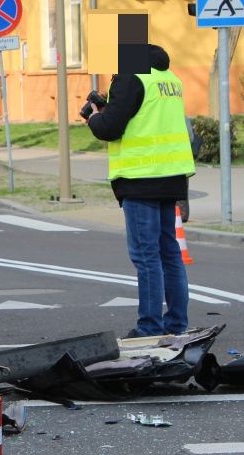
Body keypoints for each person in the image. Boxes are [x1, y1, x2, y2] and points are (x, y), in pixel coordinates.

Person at [85, 43, 195, 339]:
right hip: (169, 176)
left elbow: (110, 127)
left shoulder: (130, 77)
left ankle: (149, 327)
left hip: (140, 179)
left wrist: (95, 116)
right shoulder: (168, 77)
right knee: (169, 253)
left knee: (147, 256)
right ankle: (176, 324)